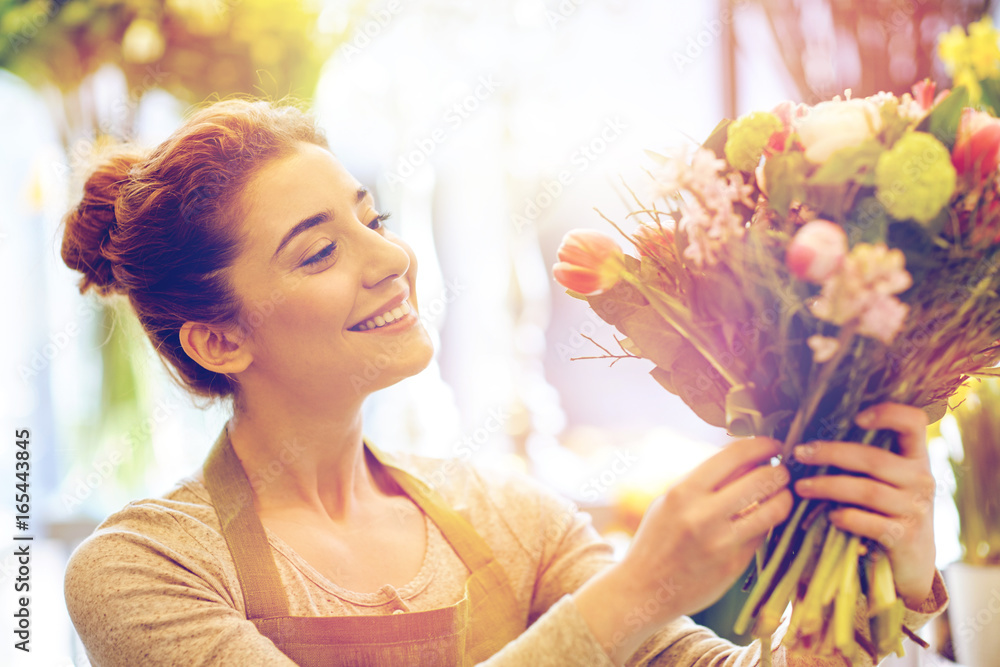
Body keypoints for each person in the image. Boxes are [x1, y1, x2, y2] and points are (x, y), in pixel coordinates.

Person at [61, 98, 947, 666]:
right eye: (322, 250)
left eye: (376, 220)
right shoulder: (143, 570)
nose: (394, 259)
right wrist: (638, 589)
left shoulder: (511, 519)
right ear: (219, 339)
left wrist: (894, 566)